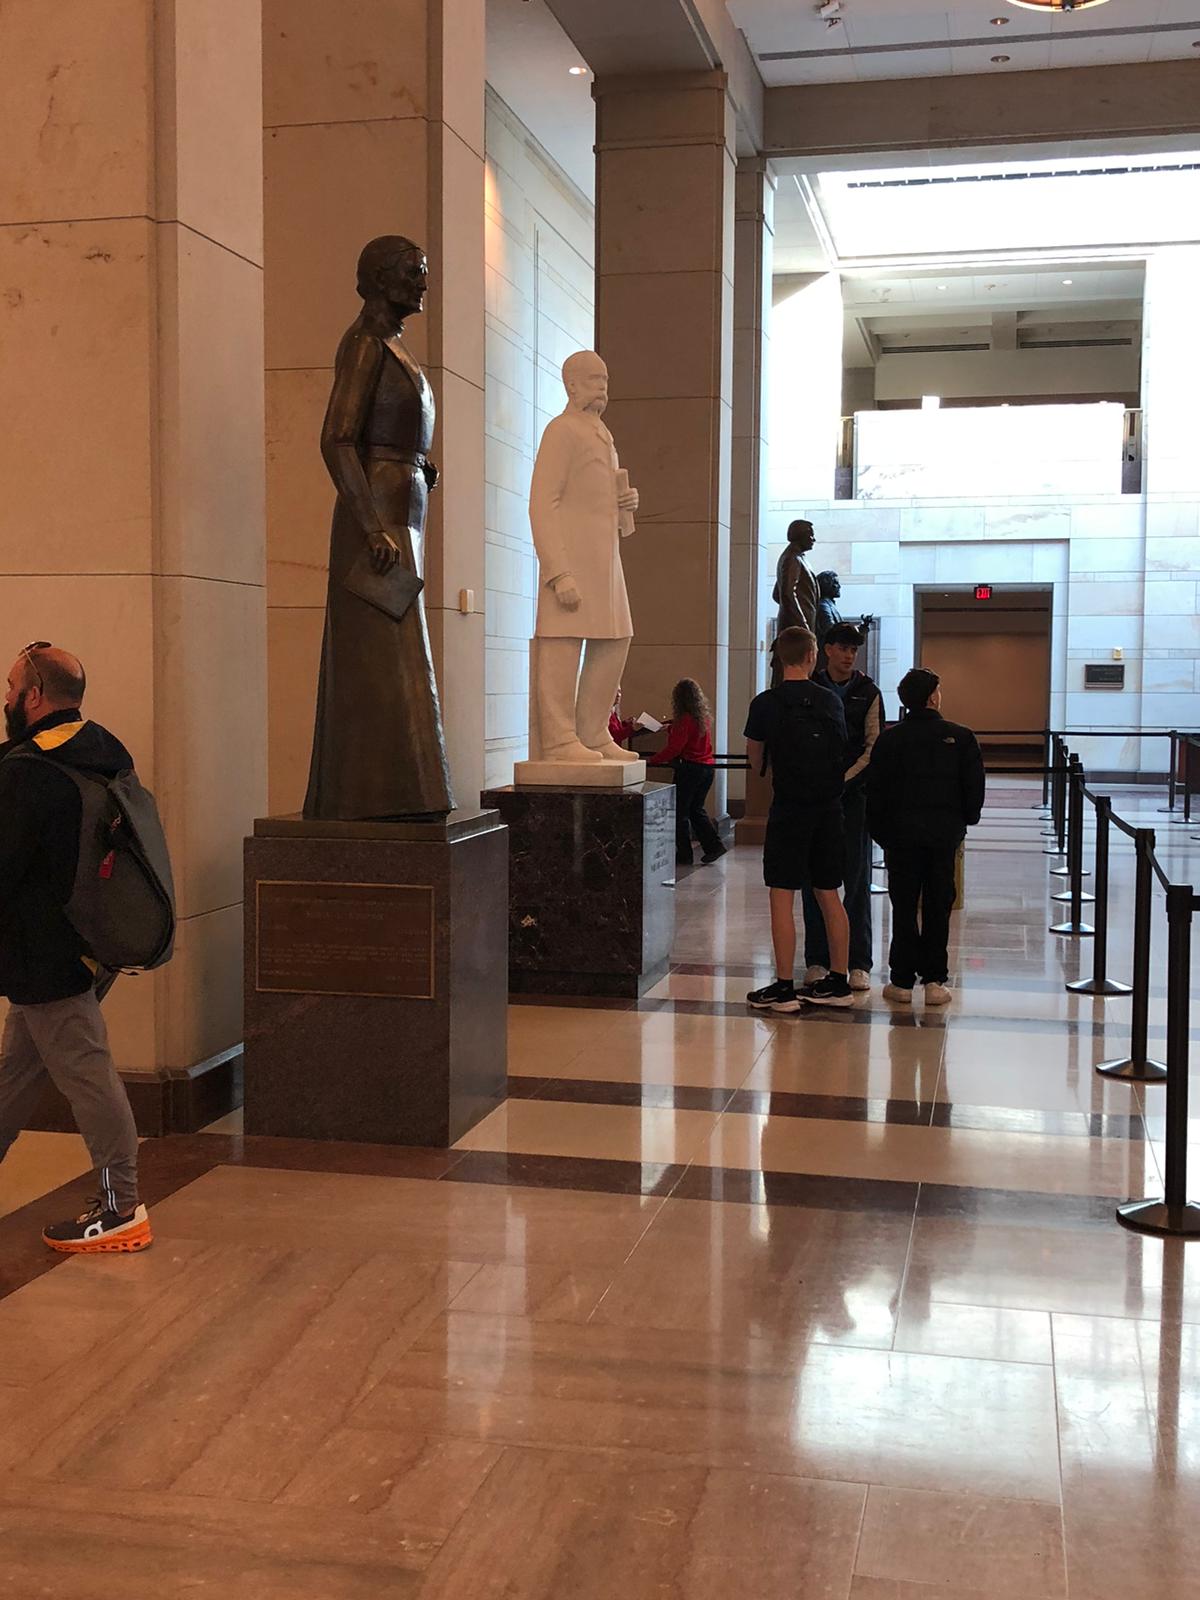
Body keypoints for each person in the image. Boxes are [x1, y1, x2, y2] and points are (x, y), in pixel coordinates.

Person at [0, 644, 153, 1253]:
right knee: (18, 1071)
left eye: (11, 687)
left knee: (87, 1075)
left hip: (46, 955)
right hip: (92, 939)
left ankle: (121, 1208)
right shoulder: (101, 751)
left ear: (34, 696)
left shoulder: (29, 772)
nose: (7, 698)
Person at [527, 350, 641, 765]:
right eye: (594, 380)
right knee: (562, 644)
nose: (602, 388)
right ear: (572, 385)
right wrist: (558, 573)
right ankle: (559, 739)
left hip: (605, 562)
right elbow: (541, 502)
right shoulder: (561, 430)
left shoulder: (601, 434)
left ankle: (592, 732)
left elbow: (595, 498)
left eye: (605, 380)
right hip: (572, 562)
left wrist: (624, 501)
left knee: (617, 638)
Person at [743, 626, 853, 1011]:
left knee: (782, 893)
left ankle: (785, 987)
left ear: (778, 658)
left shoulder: (765, 703)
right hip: (829, 807)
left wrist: (769, 770)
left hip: (790, 807)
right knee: (829, 892)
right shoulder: (830, 700)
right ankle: (839, 981)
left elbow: (755, 755)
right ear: (811, 656)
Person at [867, 666, 985, 1006]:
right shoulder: (960, 738)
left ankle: (902, 980)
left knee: (904, 906)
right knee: (938, 904)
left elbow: (876, 792)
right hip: (943, 836)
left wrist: (882, 834)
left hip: (900, 837)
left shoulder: (890, 739)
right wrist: (964, 822)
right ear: (933, 697)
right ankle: (934, 980)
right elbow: (973, 788)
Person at [801, 622, 883, 993]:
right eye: (844, 648)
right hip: (815, 799)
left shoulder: (868, 691)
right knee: (814, 880)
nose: (850, 655)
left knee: (857, 879)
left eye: (854, 649)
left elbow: (873, 745)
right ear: (828, 649)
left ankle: (858, 962)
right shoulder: (811, 688)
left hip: (853, 800)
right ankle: (817, 959)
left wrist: (844, 780)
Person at [646, 679, 726, 867]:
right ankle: (713, 846)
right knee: (696, 810)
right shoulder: (703, 718)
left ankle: (684, 854)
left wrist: (653, 760)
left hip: (690, 769)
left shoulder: (685, 720)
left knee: (680, 813)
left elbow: (675, 747)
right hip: (706, 767)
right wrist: (671, 727)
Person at [770, 520, 818, 687]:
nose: (813, 539)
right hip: (795, 633)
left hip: (796, 628)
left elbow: (777, 594)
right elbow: (787, 594)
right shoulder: (792, 558)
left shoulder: (796, 558)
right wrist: (803, 626)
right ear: (800, 535)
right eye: (810, 535)